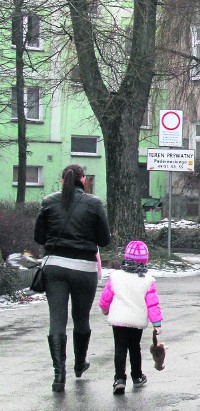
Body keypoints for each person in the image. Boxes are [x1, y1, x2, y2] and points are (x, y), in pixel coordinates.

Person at [33, 164, 111, 392]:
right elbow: (104, 240)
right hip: (84, 268)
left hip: (55, 266)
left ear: (62, 180)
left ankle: (59, 375)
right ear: (83, 180)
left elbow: (39, 237)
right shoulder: (94, 203)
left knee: (57, 320)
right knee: (81, 318)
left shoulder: (48, 202)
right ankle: (79, 364)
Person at [99, 240, 163, 395]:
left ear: (126, 257)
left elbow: (106, 297)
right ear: (145, 260)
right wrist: (156, 323)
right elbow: (152, 304)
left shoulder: (116, 277)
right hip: (136, 320)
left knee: (119, 349)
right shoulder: (148, 280)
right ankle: (137, 376)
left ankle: (119, 379)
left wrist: (105, 309)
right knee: (135, 348)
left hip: (118, 319)